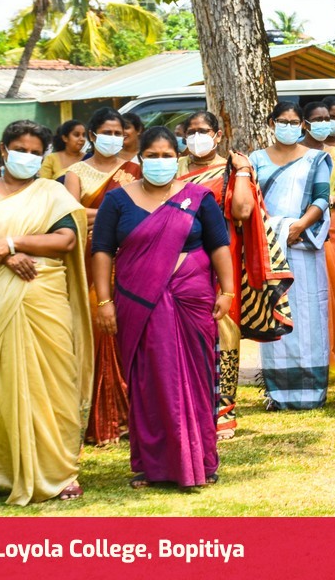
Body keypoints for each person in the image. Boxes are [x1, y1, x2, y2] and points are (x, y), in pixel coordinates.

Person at [0, 120, 90, 506]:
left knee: (54, 383)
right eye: (20, 149)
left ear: (43, 156)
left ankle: (60, 473)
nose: (26, 157)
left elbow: (65, 239)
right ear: (3, 149)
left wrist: (13, 243)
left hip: (43, 298)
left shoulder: (52, 193)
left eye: (34, 152)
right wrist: (3, 257)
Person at [91, 126, 232, 490]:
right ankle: (152, 465)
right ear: (140, 159)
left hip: (192, 299)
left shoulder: (198, 197)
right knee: (148, 379)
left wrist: (228, 291)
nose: (159, 162)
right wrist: (104, 301)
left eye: (166, 156)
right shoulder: (117, 200)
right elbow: (102, 250)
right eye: (152, 156)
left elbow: (219, 245)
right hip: (138, 301)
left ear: (177, 157)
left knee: (198, 377)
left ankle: (202, 460)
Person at [177, 111, 279, 438]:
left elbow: (243, 211)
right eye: (191, 131)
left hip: (223, 259)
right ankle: (186, 408)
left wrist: (245, 171)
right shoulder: (173, 168)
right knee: (181, 333)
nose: (197, 137)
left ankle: (223, 411)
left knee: (224, 332)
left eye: (204, 131)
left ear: (218, 135)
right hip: (178, 260)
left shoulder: (232, 169)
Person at [63, 107, 141, 446]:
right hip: (91, 259)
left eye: (118, 133)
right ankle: (104, 418)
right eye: (106, 132)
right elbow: (70, 214)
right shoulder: (75, 173)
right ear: (93, 135)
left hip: (131, 258)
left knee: (131, 330)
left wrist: (100, 216)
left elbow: (144, 211)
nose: (113, 138)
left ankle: (133, 417)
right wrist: (115, 215)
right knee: (98, 329)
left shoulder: (135, 170)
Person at [249, 103, 333, 410]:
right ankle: (279, 393)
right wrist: (273, 232)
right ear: (271, 123)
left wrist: (299, 226)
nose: (288, 126)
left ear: (302, 125)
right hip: (270, 247)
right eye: (282, 121)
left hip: (304, 246)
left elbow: (322, 199)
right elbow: (252, 200)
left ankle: (312, 392)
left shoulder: (315, 158)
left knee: (310, 315)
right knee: (276, 311)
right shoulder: (256, 159)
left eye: (294, 122)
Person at [302, 100, 335, 370]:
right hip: (299, 229)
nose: (326, 124)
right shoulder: (294, 152)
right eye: (319, 119)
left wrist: (325, 201)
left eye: (328, 119)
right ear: (305, 123)